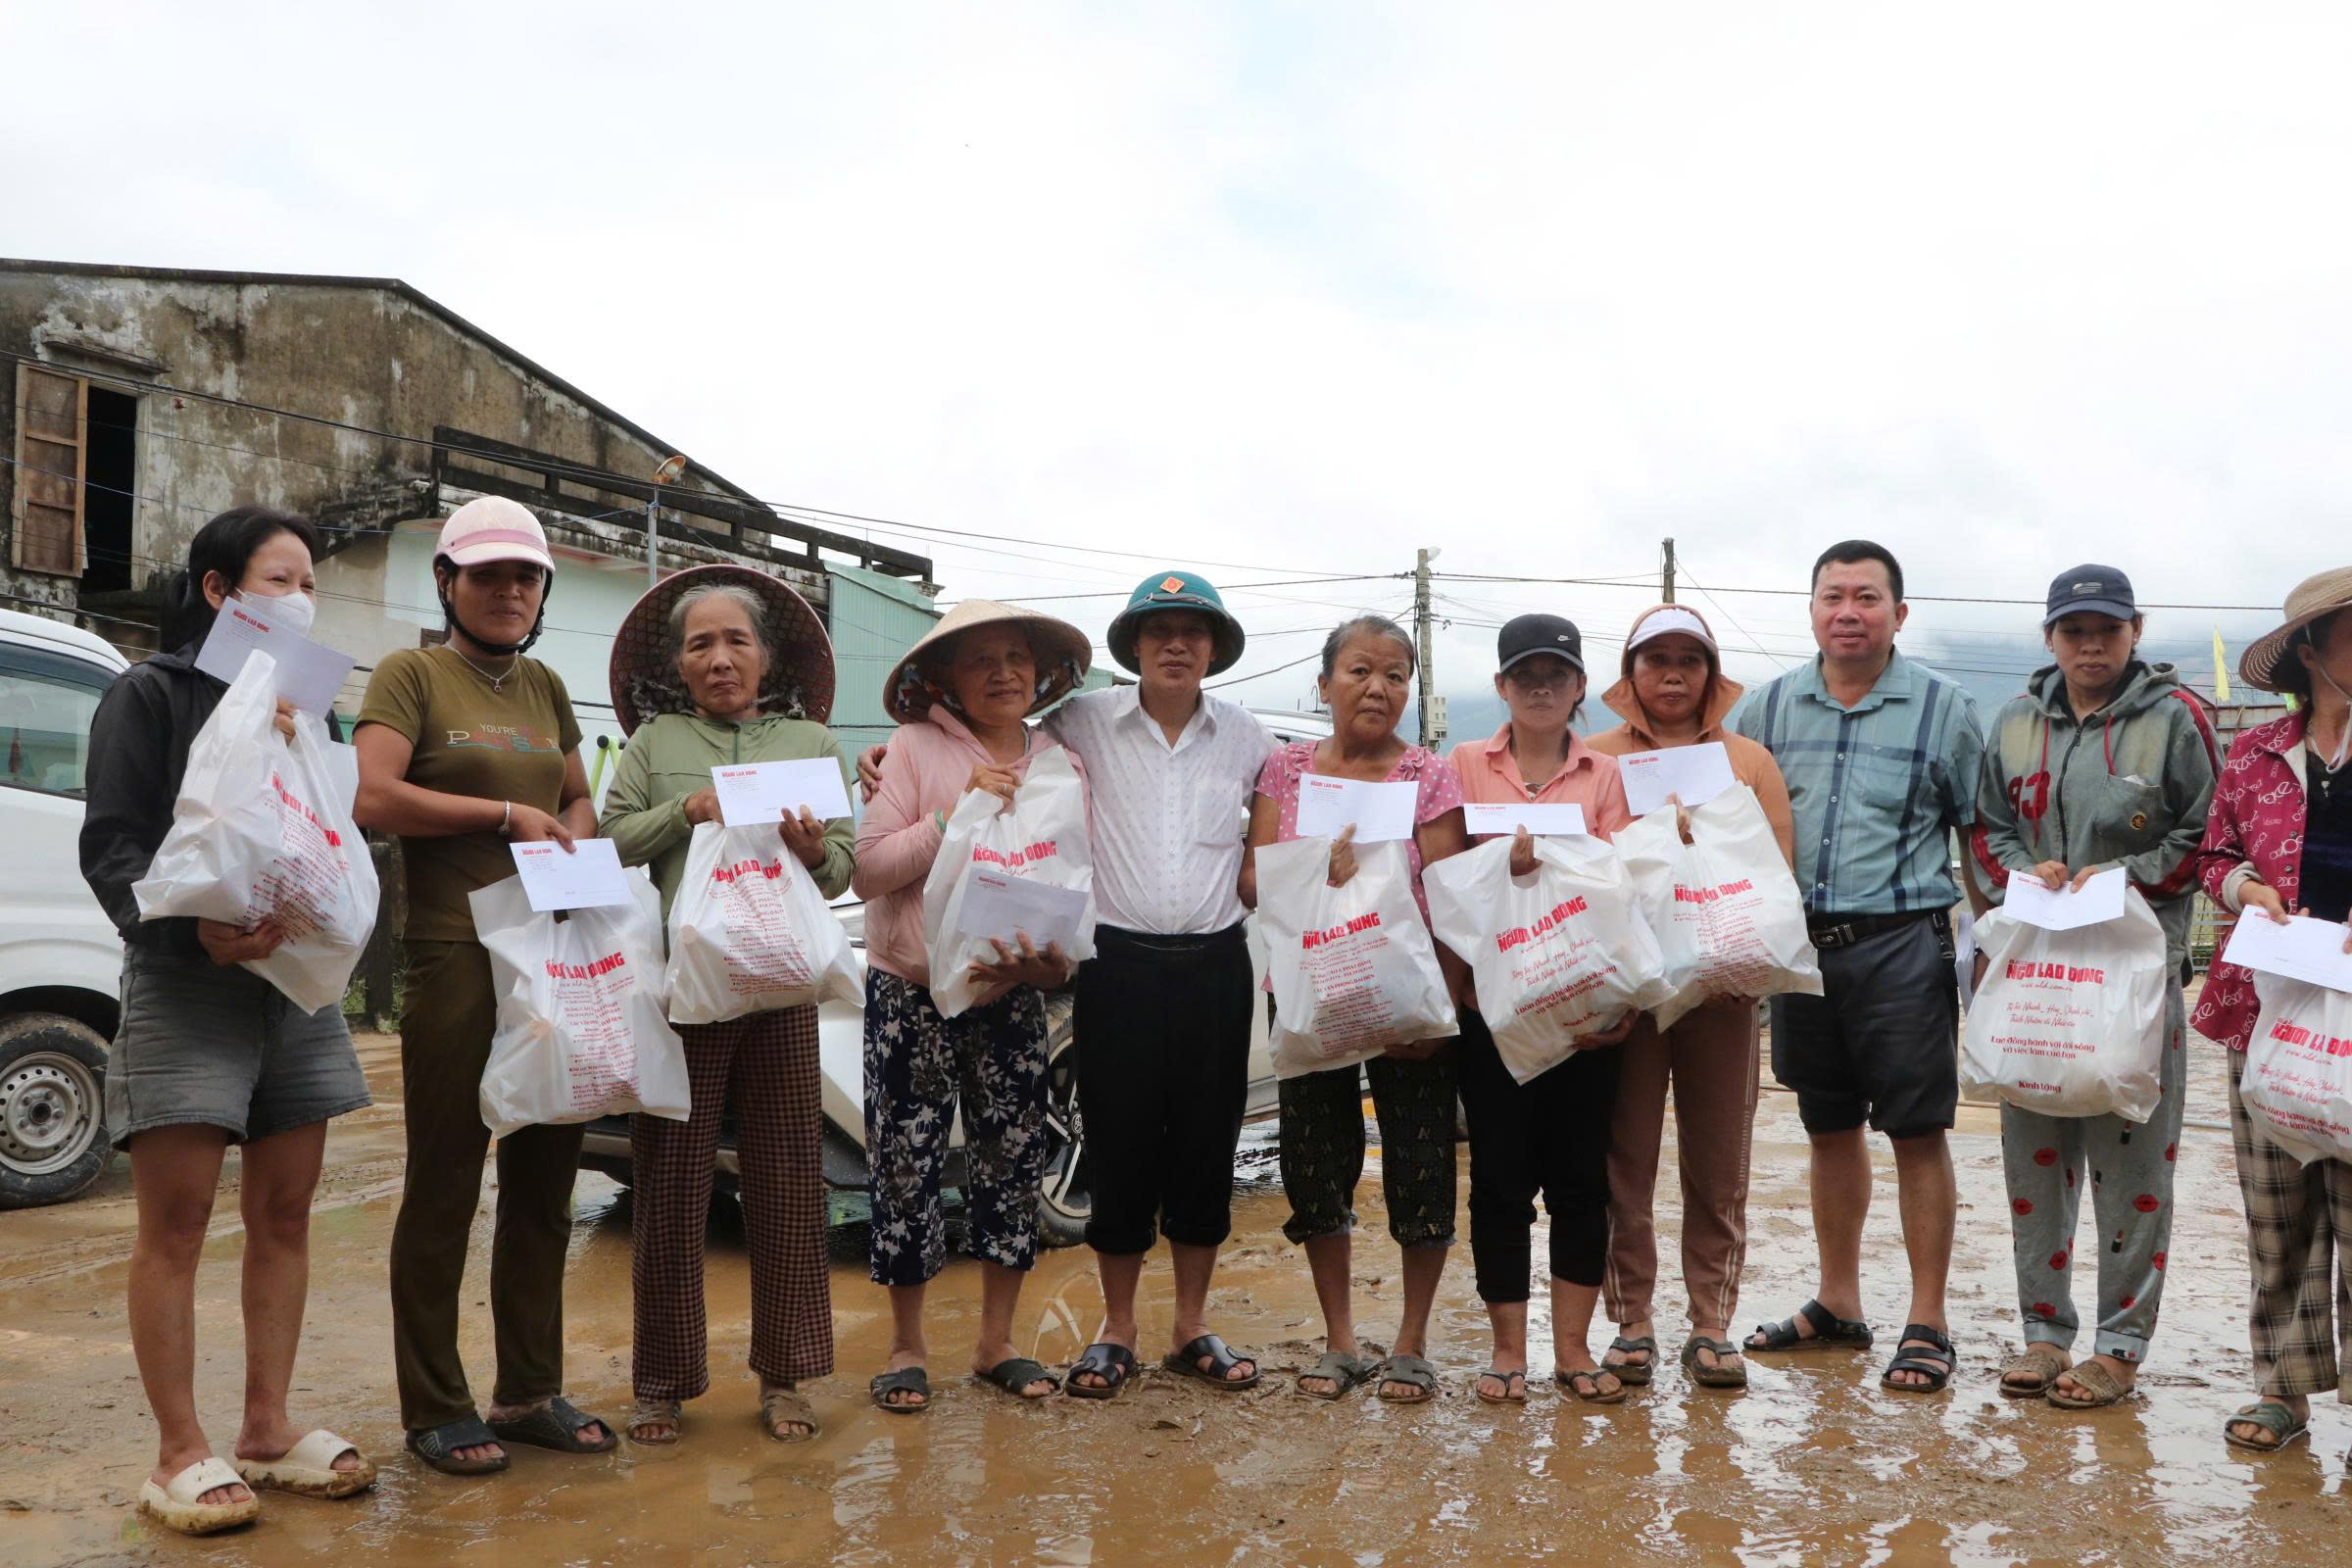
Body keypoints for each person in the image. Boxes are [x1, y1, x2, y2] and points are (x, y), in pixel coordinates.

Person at [857, 572, 1277, 1397]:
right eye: (1159, 630)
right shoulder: (1080, 727)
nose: (1177, 644)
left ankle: (1188, 1326)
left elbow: (1303, 802)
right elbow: (902, 826)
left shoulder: (1247, 739)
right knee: (1110, 1149)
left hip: (1207, 964)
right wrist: (880, 760)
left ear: (1216, 650)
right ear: (1131, 647)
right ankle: (1111, 1332)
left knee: (1193, 1151)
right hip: (1105, 968)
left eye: (1195, 631)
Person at [79, 507, 375, 1535]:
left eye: (309, 585)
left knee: (286, 1213)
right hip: (186, 983)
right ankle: (176, 1451)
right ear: (220, 590)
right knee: (177, 1223)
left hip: (294, 985)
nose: (302, 599)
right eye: (282, 579)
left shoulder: (307, 702)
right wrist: (184, 936)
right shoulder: (150, 694)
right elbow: (114, 846)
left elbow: (321, 830)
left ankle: (264, 1424)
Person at [352, 496, 612, 1473]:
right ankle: (434, 1403)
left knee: (547, 1176)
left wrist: (573, 832)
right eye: (489, 573)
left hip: (553, 953)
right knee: (448, 1177)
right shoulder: (411, 673)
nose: (510, 589)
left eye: (526, 575)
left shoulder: (545, 685)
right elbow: (373, 792)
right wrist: (506, 812)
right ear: (447, 581)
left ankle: (528, 1389)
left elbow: (578, 792)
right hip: (457, 950)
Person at [598, 566, 854, 1445]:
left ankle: (786, 1379)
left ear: (765, 653)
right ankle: (662, 1383)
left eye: (735, 640)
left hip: (779, 986)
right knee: (670, 1183)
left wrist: (814, 848)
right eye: (700, 643)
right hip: (683, 991)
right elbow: (608, 839)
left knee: (787, 1180)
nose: (719, 658)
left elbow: (843, 864)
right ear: (678, 662)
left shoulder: (813, 741)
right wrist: (687, 809)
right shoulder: (656, 742)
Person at [1726, 540, 1985, 1394]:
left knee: (1917, 1130)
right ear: (1810, 611)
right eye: (1833, 596)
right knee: (1825, 1124)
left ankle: (1928, 1318)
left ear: (1898, 614)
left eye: (1867, 597)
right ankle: (1838, 1302)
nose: (1849, 611)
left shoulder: (1944, 710)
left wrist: (2001, 946)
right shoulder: (1764, 711)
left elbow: (1978, 834)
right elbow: (1729, 827)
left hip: (1904, 942)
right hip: (1801, 948)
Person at [1970, 566, 2219, 1409]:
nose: (2089, 644)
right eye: (2073, 630)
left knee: (2134, 1159)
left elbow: (2207, 829)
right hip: (2038, 978)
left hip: (2133, 977)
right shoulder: (2012, 722)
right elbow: (1984, 826)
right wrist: (2018, 870)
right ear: (2049, 637)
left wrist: (2124, 877)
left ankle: (2119, 1345)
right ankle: (2045, 1334)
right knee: (2034, 1158)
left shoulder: (2176, 720)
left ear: (2135, 631)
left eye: (2106, 629)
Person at [851, 601, 1094, 1411]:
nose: (1002, 673)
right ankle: (906, 1347)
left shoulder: (1060, 762)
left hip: (1011, 993)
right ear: (945, 680)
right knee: (906, 1163)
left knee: (1012, 1161)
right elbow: (871, 871)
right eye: (980, 660)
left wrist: (1056, 964)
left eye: (1016, 657)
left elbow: (1072, 884)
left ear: (1040, 673)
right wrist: (955, 814)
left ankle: (997, 1343)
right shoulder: (914, 751)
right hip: (911, 991)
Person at [1240, 614, 1469, 1404]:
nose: (1379, 688)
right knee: (1314, 1159)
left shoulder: (1428, 776)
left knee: (1420, 1158)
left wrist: (1436, 1013)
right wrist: (1314, 865)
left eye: (1396, 674)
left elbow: (1444, 889)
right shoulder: (1287, 771)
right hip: (1309, 998)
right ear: (1325, 681)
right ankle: (1340, 1340)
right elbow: (1252, 885)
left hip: (1404, 1001)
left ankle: (1410, 1342)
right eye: (1360, 671)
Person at [1587, 604, 1796, 1394]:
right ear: (1630, 672)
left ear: (1711, 675)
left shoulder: (1748, 761)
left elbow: (1776, 873)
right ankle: (1631, 1320)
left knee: (1719, 1160)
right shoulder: (1596, 759)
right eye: (1654, 659)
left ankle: (1710, 1321)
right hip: (1630, 999)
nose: (1672, 673)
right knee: (1623, 1158)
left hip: (1722, 992)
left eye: (1690, 659)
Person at [1445, 614, 1636, 1405]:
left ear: (1580, 686)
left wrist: (1621, 1006)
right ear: (1500, 686)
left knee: (1581, 1184)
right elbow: (1441, 877)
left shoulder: (1604, 776)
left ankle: (1572, 1348)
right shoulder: (1460, 766)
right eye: (1525, 675)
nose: (1541, 687)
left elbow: (1625, 892)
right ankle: (1507, 1351)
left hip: (1584, 1017)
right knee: (1497, 1183)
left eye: (1557, 674)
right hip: (1492, 1015)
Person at [2190, 566, 2352, 1455]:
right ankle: (2282, 1390)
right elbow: (2215, 852)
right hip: (2268, 1006)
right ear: (2312, 653)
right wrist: (2245, 884)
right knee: (2278, 1211)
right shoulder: (2254, 754)